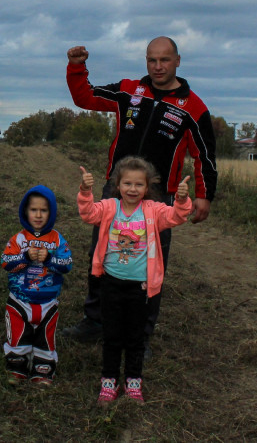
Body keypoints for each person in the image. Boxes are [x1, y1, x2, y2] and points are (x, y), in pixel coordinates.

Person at [62, 37, 217, 352]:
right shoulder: (128, 91)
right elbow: (85, 97)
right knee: (103, 254)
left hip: (158, 198)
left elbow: (205, 155)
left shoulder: (194, 107)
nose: (158, 67)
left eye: (165, 60)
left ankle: (140, 335)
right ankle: (95, 321)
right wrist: (77, 67)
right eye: (152, 60)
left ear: (177, 61)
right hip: (115, 191)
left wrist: (204, 194)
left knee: (150, 264)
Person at [78, 158, 193, 404]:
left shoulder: (153, 210)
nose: (132, 189)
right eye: (127, 183)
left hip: (140, 288)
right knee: (111, 336)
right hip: (110, 283)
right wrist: (86, 191)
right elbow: (88, 214)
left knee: (135, 337)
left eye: (139, 184)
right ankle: (109, 381)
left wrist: (182, 199)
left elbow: (176, 216)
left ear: (147, 187)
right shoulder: (109, 207)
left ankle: (133, 382)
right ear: (117, 185)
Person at [0, 185, 72, 385]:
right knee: (18, 334)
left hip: (48, 300)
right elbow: (5, 262)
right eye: (34, 210)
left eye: (44, 210)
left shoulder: (57, 239)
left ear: (52, 212)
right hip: (20, 299)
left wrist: (49, 259)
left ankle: (43, 369)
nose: (38, 215)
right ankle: (16, 367)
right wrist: (24, 257)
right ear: (26, 211)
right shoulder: (18, 239)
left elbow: (67, 264)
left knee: (45, 336)